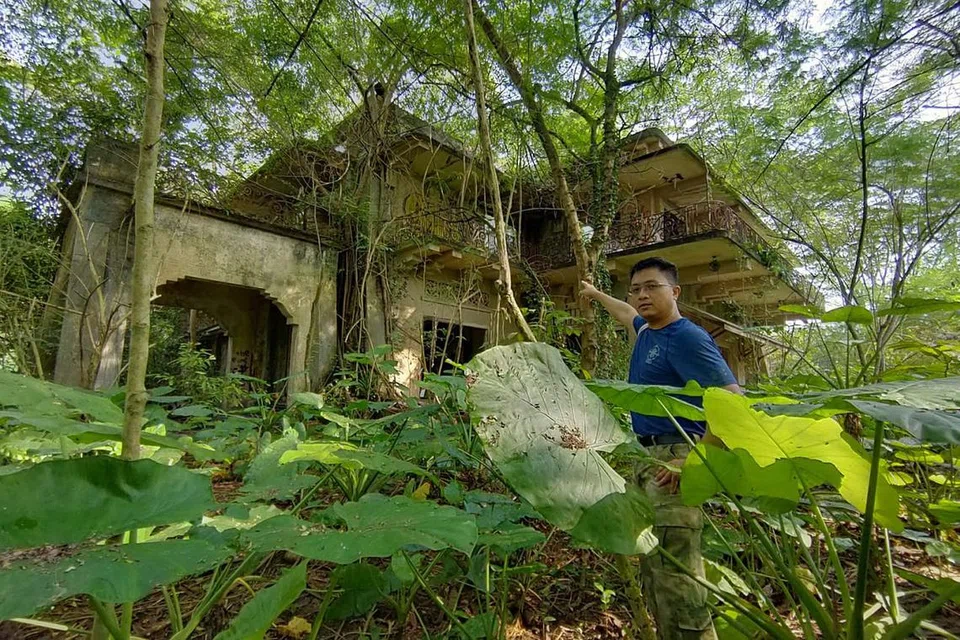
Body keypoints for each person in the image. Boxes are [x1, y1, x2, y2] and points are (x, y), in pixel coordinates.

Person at [580, 256, 741, 640]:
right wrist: (595, 292)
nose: (641, 296)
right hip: (648, 459)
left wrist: (697, 458)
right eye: (636, 289)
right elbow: (623, 314)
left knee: (678, 579)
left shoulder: (686, 337)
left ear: (675, 291)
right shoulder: (648, 331)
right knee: (655, 570)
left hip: (675, 460)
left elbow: (733, 400)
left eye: (652, 287)